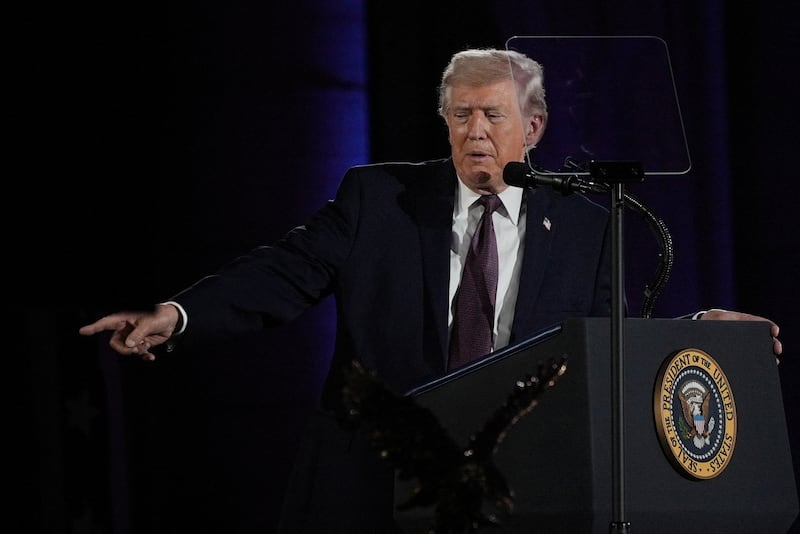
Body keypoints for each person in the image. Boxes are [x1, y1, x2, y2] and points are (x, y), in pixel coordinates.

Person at [79, 48, 782, 533]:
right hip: (377, 483)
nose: (475, 132)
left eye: (493, 116)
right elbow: (284, 271)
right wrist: (178, 314)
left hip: (518, 487)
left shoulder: (589, 226)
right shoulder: (377, 198)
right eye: (460, 114)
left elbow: (610, 349)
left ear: (532, 128)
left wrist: (697, 329)